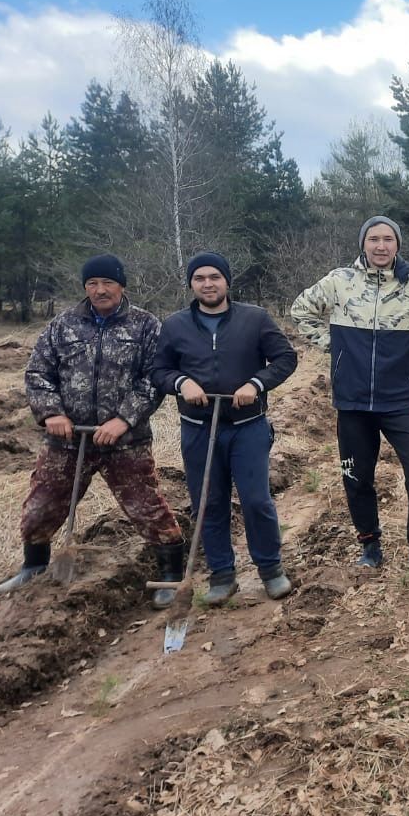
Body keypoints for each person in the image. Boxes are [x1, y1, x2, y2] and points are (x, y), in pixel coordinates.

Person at [0, 254, 185, 607]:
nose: (100, 290)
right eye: (92, 284)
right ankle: (33, 565)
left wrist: (124, 419)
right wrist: (52, 413)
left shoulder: (145, 326)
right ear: (85, 288)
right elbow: (38, 374)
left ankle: (170, 573)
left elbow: (156, 378)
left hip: (125, 442)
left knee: (147, 508)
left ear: (122, 286)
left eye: (108, 283)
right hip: (66, 440)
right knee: (41, 507)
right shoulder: (61, 326)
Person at [292, 217, 409, 574]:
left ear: (397, 244)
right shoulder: (339, 282)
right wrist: (336, 348)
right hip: (352, 401)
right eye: (373, 239)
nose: (381, 246)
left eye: (388, 239)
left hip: (399, 399)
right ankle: (370, 545)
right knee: (357, 477)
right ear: (363, 244)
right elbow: (300, 311)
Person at [150, 252, 297, 604]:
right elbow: (158, 370)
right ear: (191, 284)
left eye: (214, 277)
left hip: (247, 426)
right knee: (207, 502)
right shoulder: (175, 325)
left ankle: (271, 569)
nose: (208, 284)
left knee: (256, 500)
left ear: (227, 281)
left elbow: (285, 359)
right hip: (198, 427)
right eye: (200, 278)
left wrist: (256, 384)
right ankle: (222, 574)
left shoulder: (255, 319)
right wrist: (182, 382)